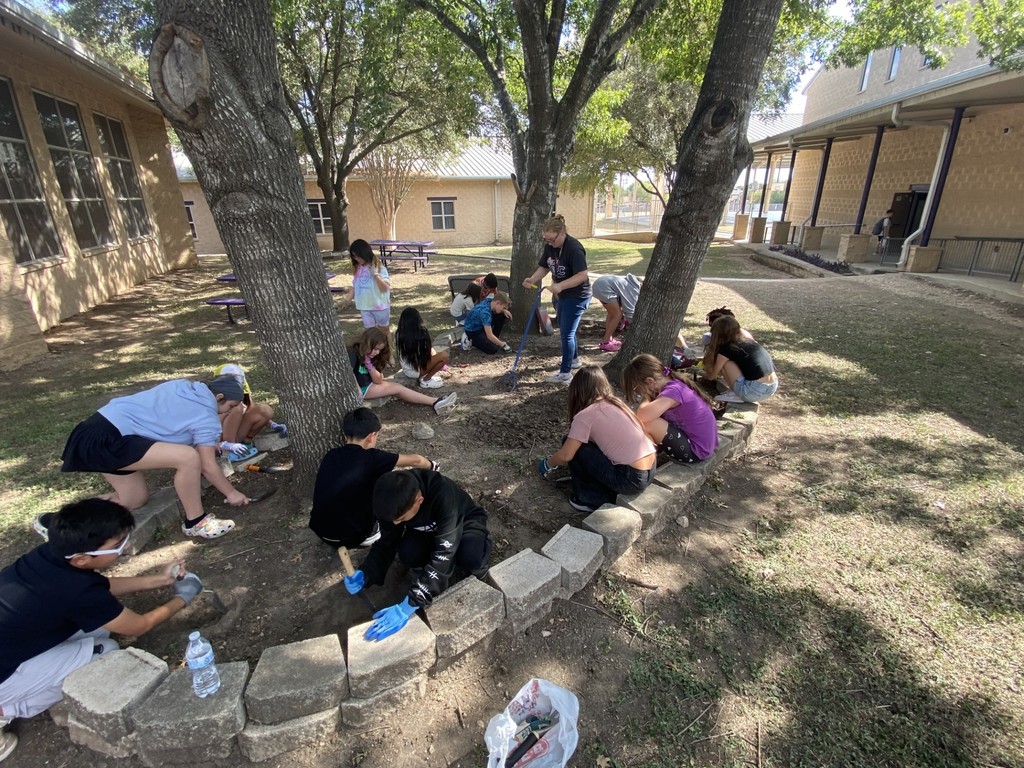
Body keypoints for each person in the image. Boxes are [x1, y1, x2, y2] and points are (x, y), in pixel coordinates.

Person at [0, 499, 204, 761]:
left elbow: (98, 585)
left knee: (99, 630)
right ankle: (5, 710)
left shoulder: (53, 554)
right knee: (105, 651)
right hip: (5, 674)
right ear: (82, 559)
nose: (126, 546)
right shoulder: (73, 588)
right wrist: (183, 597)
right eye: (118, 544)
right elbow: (138, 626)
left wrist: (159, 580)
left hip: (14, 641)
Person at [61, 375, 249, 539]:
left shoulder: (183, 386)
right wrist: (231, 493)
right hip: (110, 438)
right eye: (230, 406)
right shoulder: (206, 415)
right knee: (188, 458)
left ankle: (59, 519)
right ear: (219, 397)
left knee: (133, 500)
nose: (228, 412)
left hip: (92, 433)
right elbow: (207, 464)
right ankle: (196, 522)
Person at [343, 468, 491, 641]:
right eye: (393, 519)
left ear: (419, 500)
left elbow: (445, 553)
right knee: (408, 554)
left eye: (401, 519)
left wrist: (411, 602)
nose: (395, 523)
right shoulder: (390, 500)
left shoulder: (443, 496)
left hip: (464, 523)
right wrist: (367, 572)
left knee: (470, 555)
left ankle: (475, 565)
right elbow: (387, 541)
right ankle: (429, 575)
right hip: (427, 530)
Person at [310, 408, 438, 549]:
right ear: (371, 436)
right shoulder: (373, 458)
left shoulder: (331, 455)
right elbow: (416, 461)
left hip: (320, 531)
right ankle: (370, 533)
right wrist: (432, 465)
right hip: (354, 536)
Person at [538, 365, 656, 513]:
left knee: (575, 447)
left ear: (577, 391)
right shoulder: (615, 403)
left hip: (630, 479)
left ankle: (590, 499)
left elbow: (566, 455)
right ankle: (604, 488)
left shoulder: (586, 415)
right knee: (582, 444)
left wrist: (547, 464)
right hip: (650, 470)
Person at [523, 214, 591, 384]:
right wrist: (533, 279)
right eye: (546, 240)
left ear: (561, 233)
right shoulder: (551, 247)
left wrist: (560, 286)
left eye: (551, 240)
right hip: (562, 295)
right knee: (565, 327)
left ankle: (565, 373)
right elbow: (545, 267)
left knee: (566, 334)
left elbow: (582, 275)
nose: (549, 243)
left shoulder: (574, 248)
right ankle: (574, 360)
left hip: (577, 296)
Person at [621, 354, 719, 464]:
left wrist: (647, 398)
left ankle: (643, 463)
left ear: (650, 381)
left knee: (648, 423)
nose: (639, 392)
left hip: (696, 451)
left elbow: (643, 416)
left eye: (637, 388)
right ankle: (645, 460)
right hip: (702, 446)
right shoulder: (674, 383)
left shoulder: (672, 392)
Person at [348, 328, 457, 413]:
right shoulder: (353, 352)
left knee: (399, 388)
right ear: (367, 343)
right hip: (361, 390)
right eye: (376, 349)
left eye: (379, 350)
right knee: (398, 389)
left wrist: (369, 365)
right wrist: (357, 391)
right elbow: (349, 374)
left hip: (369, 385)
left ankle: (435, 401)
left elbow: (378, 380)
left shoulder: (371, 356)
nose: (377, 353)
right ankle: (435, 402)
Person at [213, 363, 287, 462]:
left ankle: (246, 443)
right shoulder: (215, 392)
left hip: (237, 430)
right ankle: (228, 451)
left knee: (264, 410)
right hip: (218, 436)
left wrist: (272, 424)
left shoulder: (243, 387)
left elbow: (251, 408)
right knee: (237, 407)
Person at [701, 315, 778, 403]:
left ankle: (734, 393)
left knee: (726, 364)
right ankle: (736, 392)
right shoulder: (750, 342)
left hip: (752, 392)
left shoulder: (727, 350)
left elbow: (712, 376)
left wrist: (701, 373)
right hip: (772, 387)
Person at [394, 308, 450, 389]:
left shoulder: (398, 334)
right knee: (444, 356)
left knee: (434, 353)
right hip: (417, 370)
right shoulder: (421, 334)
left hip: (407, 370)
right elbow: (427, 351)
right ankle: (426, 380)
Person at [343, 239, 391, 329]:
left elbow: (385, 288)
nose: (356, 259)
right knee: (370, 333)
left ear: (365, 253)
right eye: (354, 257)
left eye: (358, 256)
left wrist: (375, 275)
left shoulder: (379, 267)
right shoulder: (358, 268)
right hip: (364, 307)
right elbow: (355, 287)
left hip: (380, 306)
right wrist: (346, 301)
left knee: (384, 331)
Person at [591, 273, 643, 352]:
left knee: (611, 313)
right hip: (604, 288)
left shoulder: (628, 282)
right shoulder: (633, 290)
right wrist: (635, 325)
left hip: (599, 284)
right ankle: (605, 342)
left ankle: (609, 339)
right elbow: (629, 311)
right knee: (617, 314)